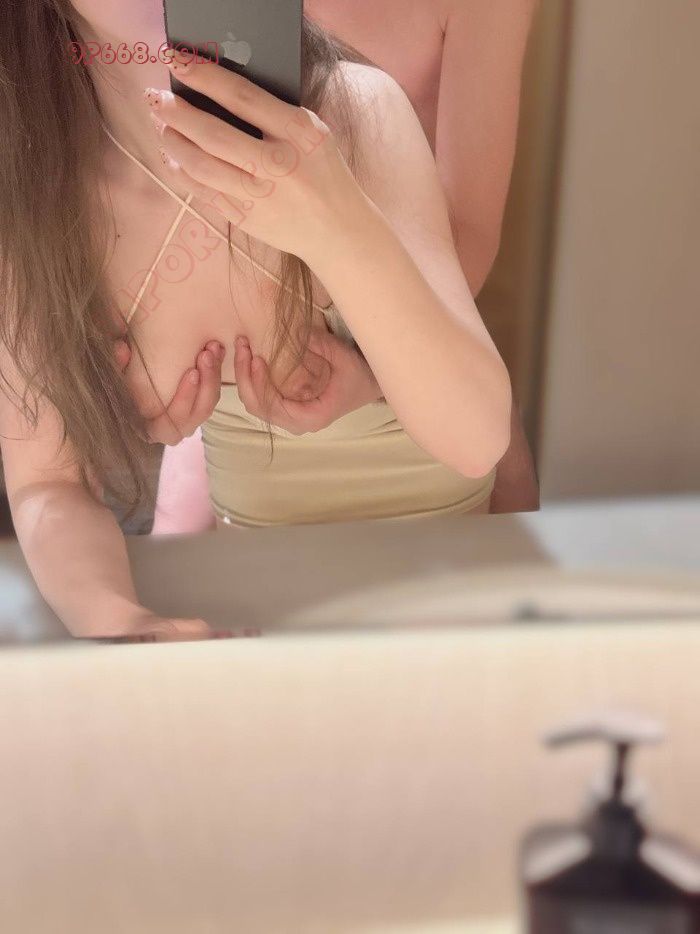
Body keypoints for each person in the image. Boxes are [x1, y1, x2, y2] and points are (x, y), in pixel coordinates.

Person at [0, 1, 511, 637]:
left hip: (443, 592)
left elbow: (476, 439)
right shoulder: (34, 192)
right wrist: (118, 619)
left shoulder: (357, 112)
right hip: (258, 613)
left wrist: (339, 226)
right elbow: (46, 483)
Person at [150, 0, 540, 533]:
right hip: (233, 377)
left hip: (411, 360)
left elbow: (466, 234)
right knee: (173, 563)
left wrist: (376, 376)